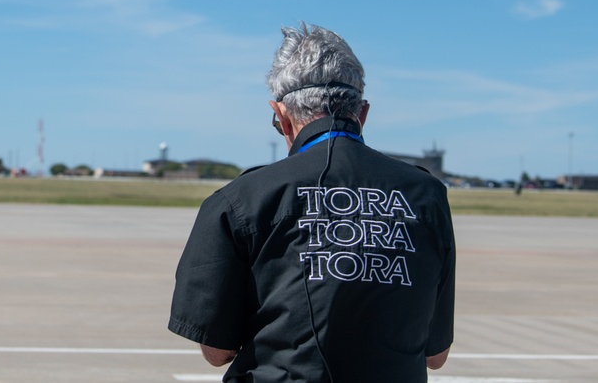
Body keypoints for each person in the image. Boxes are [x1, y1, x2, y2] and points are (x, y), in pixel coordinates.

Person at [168, 23, 455, 382]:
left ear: (280, 115)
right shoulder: (426, 195)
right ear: (362, 113)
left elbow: (217, 351)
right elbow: (437, 354)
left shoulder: (238, 199)